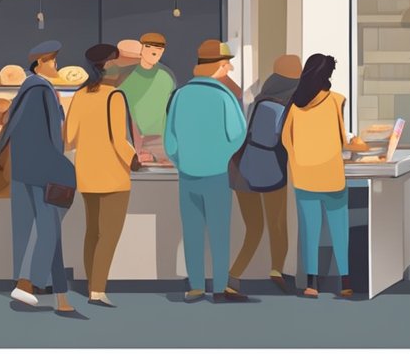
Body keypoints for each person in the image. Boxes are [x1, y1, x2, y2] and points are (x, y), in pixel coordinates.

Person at [0, 41, 74, 314]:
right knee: (48, 227)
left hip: (23, 170)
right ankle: (30, 283)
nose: (56, 65)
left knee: (28, 228)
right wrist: (61, 167)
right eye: (52, 60)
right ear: (40, 63)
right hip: (43, 170)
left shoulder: (25, 91)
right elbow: (51, 137)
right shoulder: (42, 91)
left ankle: (47, 289)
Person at [165, 40, 247, 303]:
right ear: (217, 66)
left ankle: (196, 286)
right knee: (220, 232)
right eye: (226, 64)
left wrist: (181, 161)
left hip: (187, 176)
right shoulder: (224, 96)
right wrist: (222, 157)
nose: (230, 68)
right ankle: (220, 287)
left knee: (192, 232)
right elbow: (238, 135)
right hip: (217, 175)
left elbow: (170, 140)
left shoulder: (180, 95)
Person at [64, 43, 136, 308]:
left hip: (86, 172)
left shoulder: (81, 95)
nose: (120, 66)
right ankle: (98, 290)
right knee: (109, 234)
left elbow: (69, 138)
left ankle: (91, 286)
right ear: (107, 66)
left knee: (92, 232)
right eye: (116, 61)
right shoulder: (114, 96)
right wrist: (136, 159)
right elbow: (119, 140)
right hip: (113, 174)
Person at [280, 54, 353, 299]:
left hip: (304, 177)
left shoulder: (294, 103)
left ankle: (311, 284)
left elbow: (285, 139)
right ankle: (344, 282)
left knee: (310, 231)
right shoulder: (336, 101)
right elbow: (344, 139)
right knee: (339, 230)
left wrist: (299, 161)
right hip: (331, 175)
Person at [228, 54, 301, 295]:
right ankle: (276, 270)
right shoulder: (282, 109)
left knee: (254, 228)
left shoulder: (258, 102)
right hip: (271, 172)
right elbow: (283, 141)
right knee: (278, 225)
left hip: (242, 172)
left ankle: (234, 276)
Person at [119, 33, 175, 164]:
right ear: (141, 49)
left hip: (161, 142)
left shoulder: (166, 77)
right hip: (132, 141)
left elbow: (170, 111)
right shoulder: (127, 77)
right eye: (149, 47)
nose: (154, 52)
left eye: (159, 49)